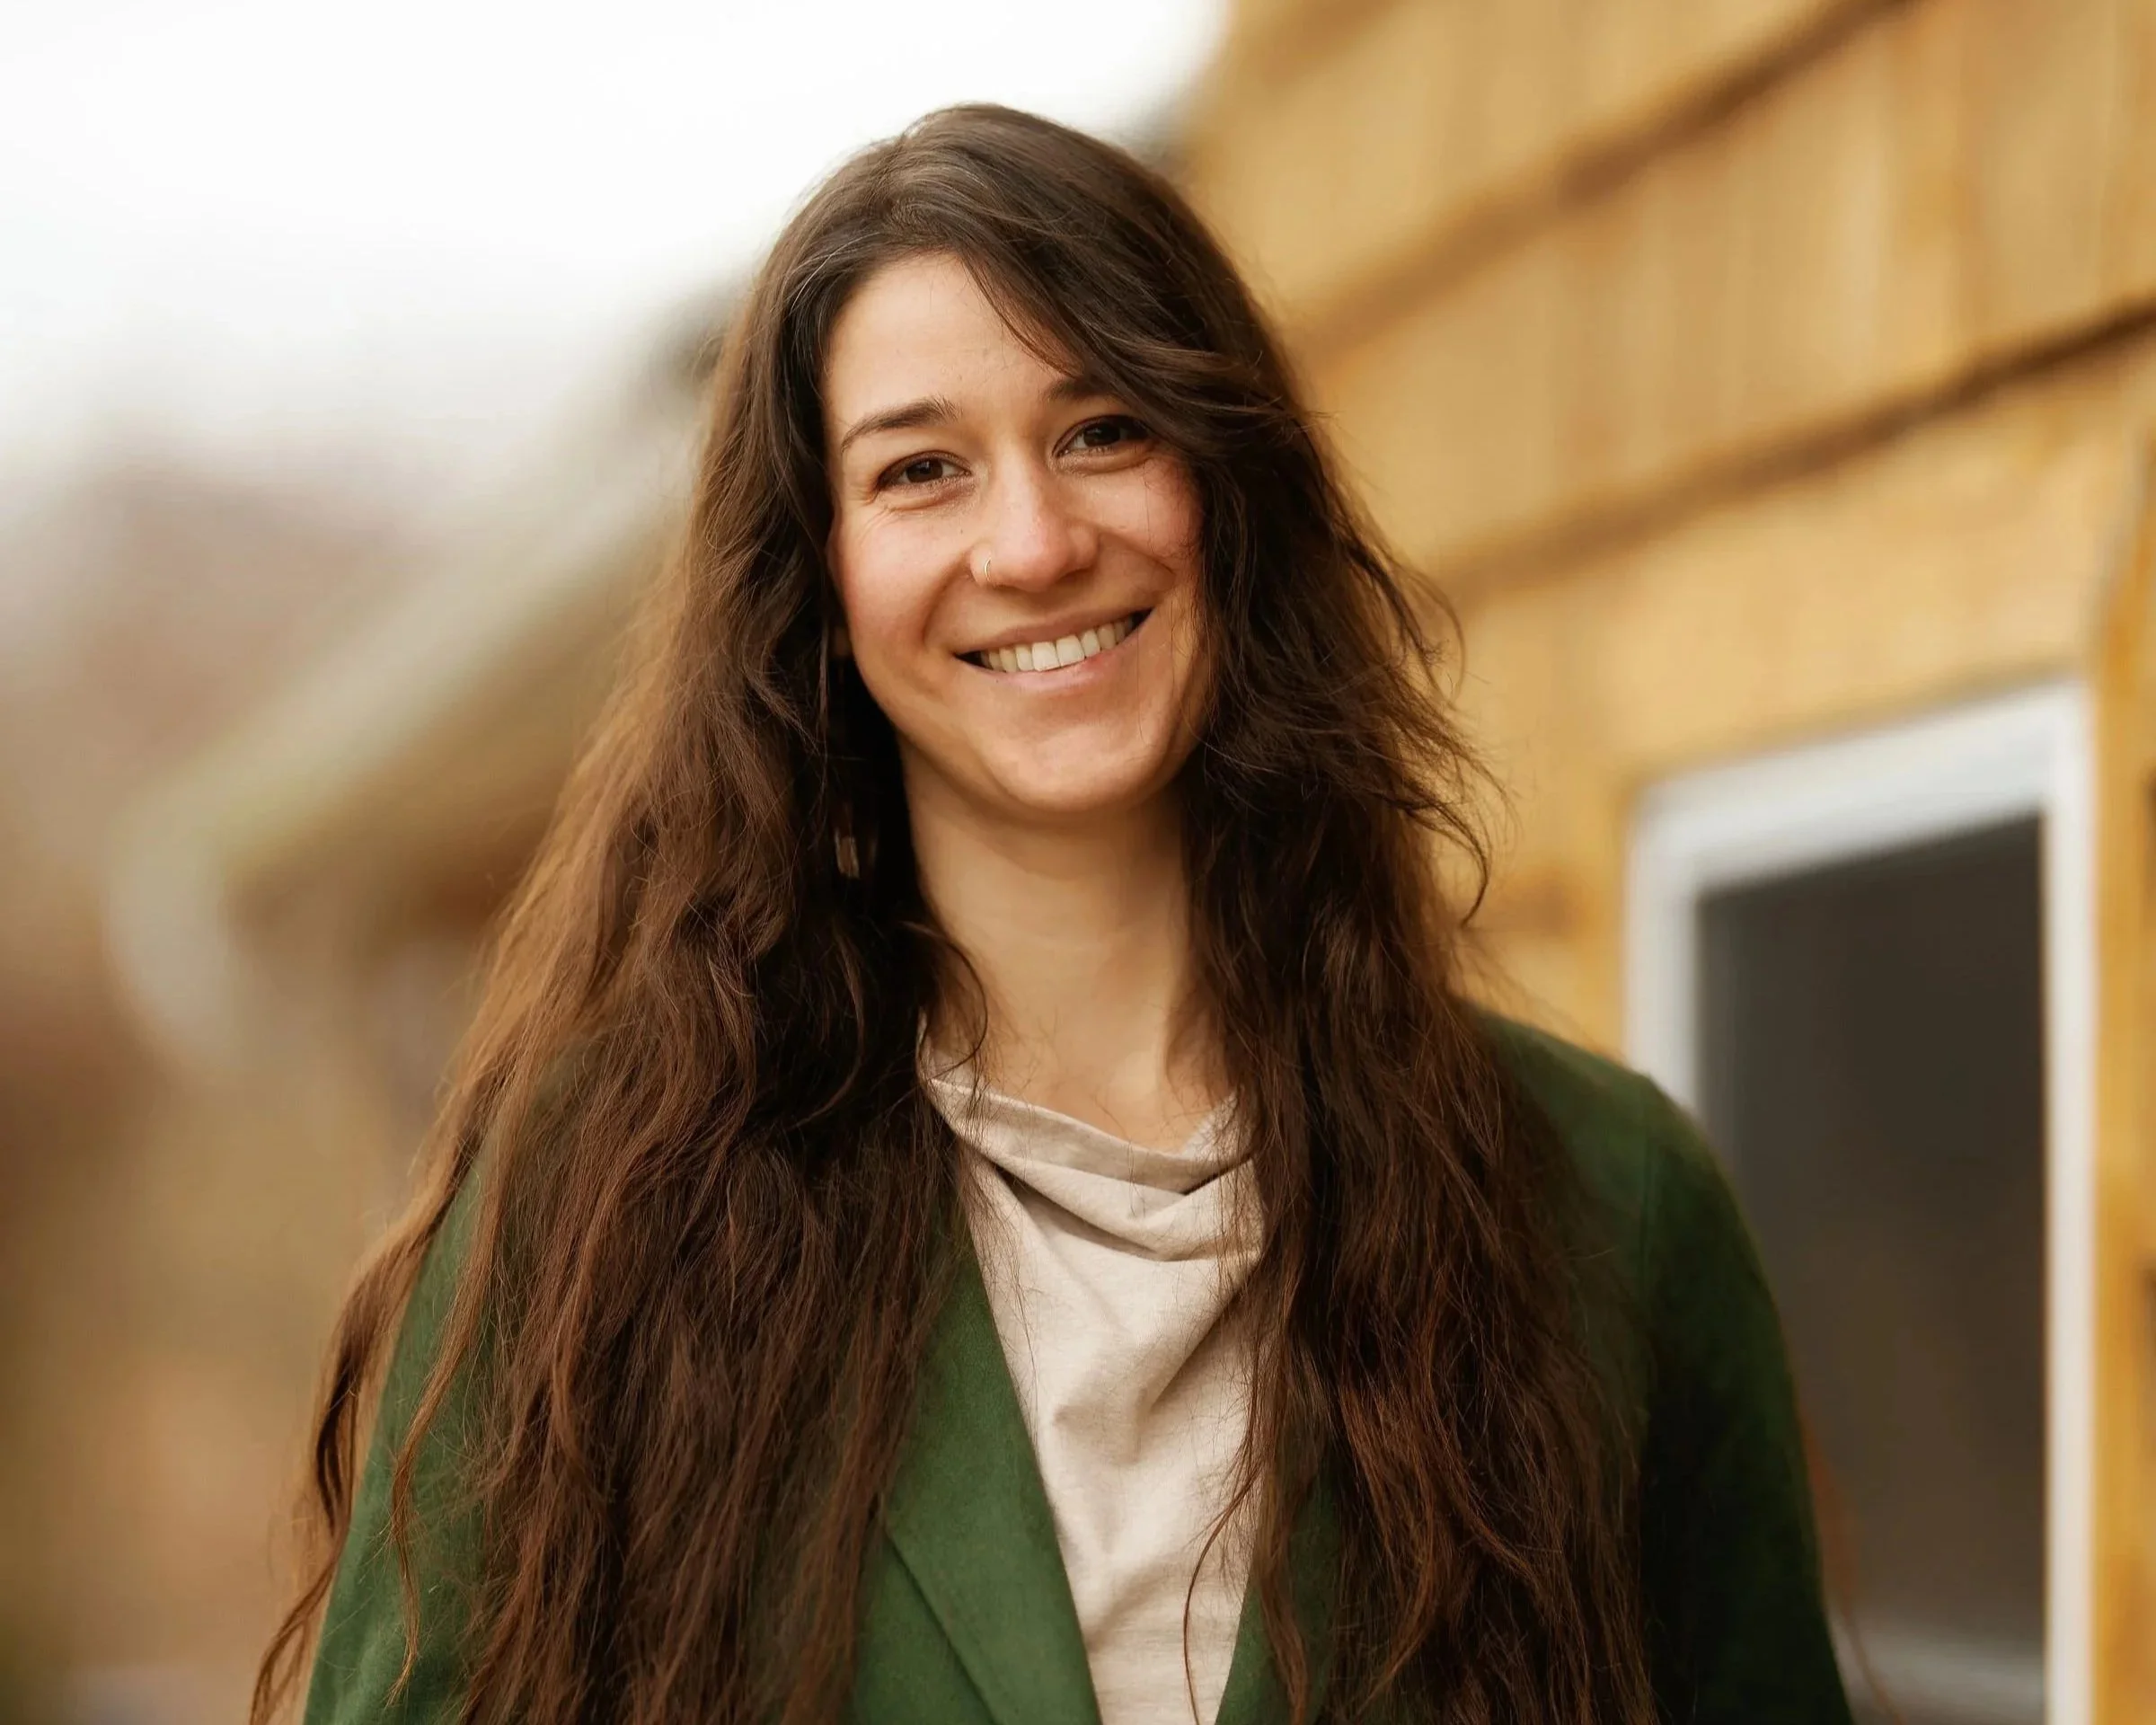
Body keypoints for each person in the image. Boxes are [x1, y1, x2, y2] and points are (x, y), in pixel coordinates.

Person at [254, 104, 1854, 1725]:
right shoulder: (603, 1213)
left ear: (1226, 487)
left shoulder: (1606, 1201)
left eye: (1102, 431)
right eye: (921, 471)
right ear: (821, 582)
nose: (1032, 544)